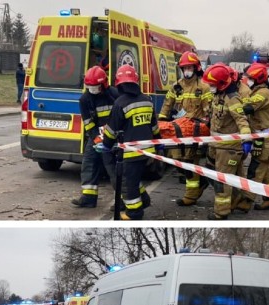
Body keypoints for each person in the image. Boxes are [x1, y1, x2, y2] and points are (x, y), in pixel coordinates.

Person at [96, 64, 164, 220]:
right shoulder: (147, 100)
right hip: (148, 151)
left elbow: (112, 130)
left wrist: (105, 145)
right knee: (133, 179)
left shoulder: (120, 103)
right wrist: (158, 142)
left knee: (127, 182)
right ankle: (144, 200)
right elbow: (154, 126)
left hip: (131, 152)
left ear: (119, 83)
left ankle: (134, 212)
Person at [158, 51, 213, 206]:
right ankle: (200, 182)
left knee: (190, 162)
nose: (187, 70)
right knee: (177, 162)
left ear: (195, 68)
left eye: (190, 67)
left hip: (194, 131)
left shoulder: (204, 88)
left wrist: (204, 127)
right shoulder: (176, 87)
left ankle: (191, 195)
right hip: (177, 131)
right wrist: (161, 126)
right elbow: (166, 107)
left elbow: (208, 111)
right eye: (185, 68)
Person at [201, 63, 254, 220]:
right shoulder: (218, 95)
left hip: (228, 148)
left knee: (221, 181)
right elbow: (213, 115)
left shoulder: (233, 99)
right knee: (212, 172)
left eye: (212, 84)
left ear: (221, 84)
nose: (210, 87)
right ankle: (239, 199)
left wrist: (246, 140)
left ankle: (221, 212)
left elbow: (242, 121)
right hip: (216, 145)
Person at [71, 66, 119, 208]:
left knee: (112, 167)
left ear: (103, 84)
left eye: (95, 87)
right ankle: (89, 197)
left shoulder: (114, 95)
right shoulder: (84, 99)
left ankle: (122, 199)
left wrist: (110, 139)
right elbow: (88, 123)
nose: (92, 90)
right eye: (89, 87)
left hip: (113, 136)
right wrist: (96, 139)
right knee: (89, 162)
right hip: (96, 136)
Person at [242, 63, 269, 210]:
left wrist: (231, 108)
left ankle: (246, 201)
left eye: (250, 78)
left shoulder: (263, 93)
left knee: (255, 170)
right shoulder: (256, 91)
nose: (248, 81)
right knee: (264, 172)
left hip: (265, 139)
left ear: (258, 79)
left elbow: (248, 108)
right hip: (261, 137)